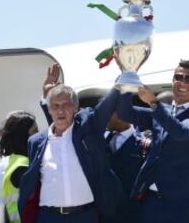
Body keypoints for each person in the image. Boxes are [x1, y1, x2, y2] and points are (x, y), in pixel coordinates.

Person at [117, 60, 189, 223]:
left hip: (182, 207)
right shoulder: (164, 111)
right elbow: (125, 112)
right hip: (152, 201)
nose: (182, 82)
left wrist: (154, 103)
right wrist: (127, 77)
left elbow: (180, 131)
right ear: (172, 81)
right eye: (178, 77)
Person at [18, 83, 122, 223]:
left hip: (85, 216)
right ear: (48, 109)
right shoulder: (36, 142)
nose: (60, 110)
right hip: (49, 217)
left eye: (65, 105)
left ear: (75, 108)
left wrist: (125, 75)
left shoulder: (87, 133)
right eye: (55, 106)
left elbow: (105, 107)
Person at [1, 111, 38, 223]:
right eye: (35, 131)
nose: (39, 134)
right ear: (23, 136)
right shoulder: (24, 165)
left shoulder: (12, 161)